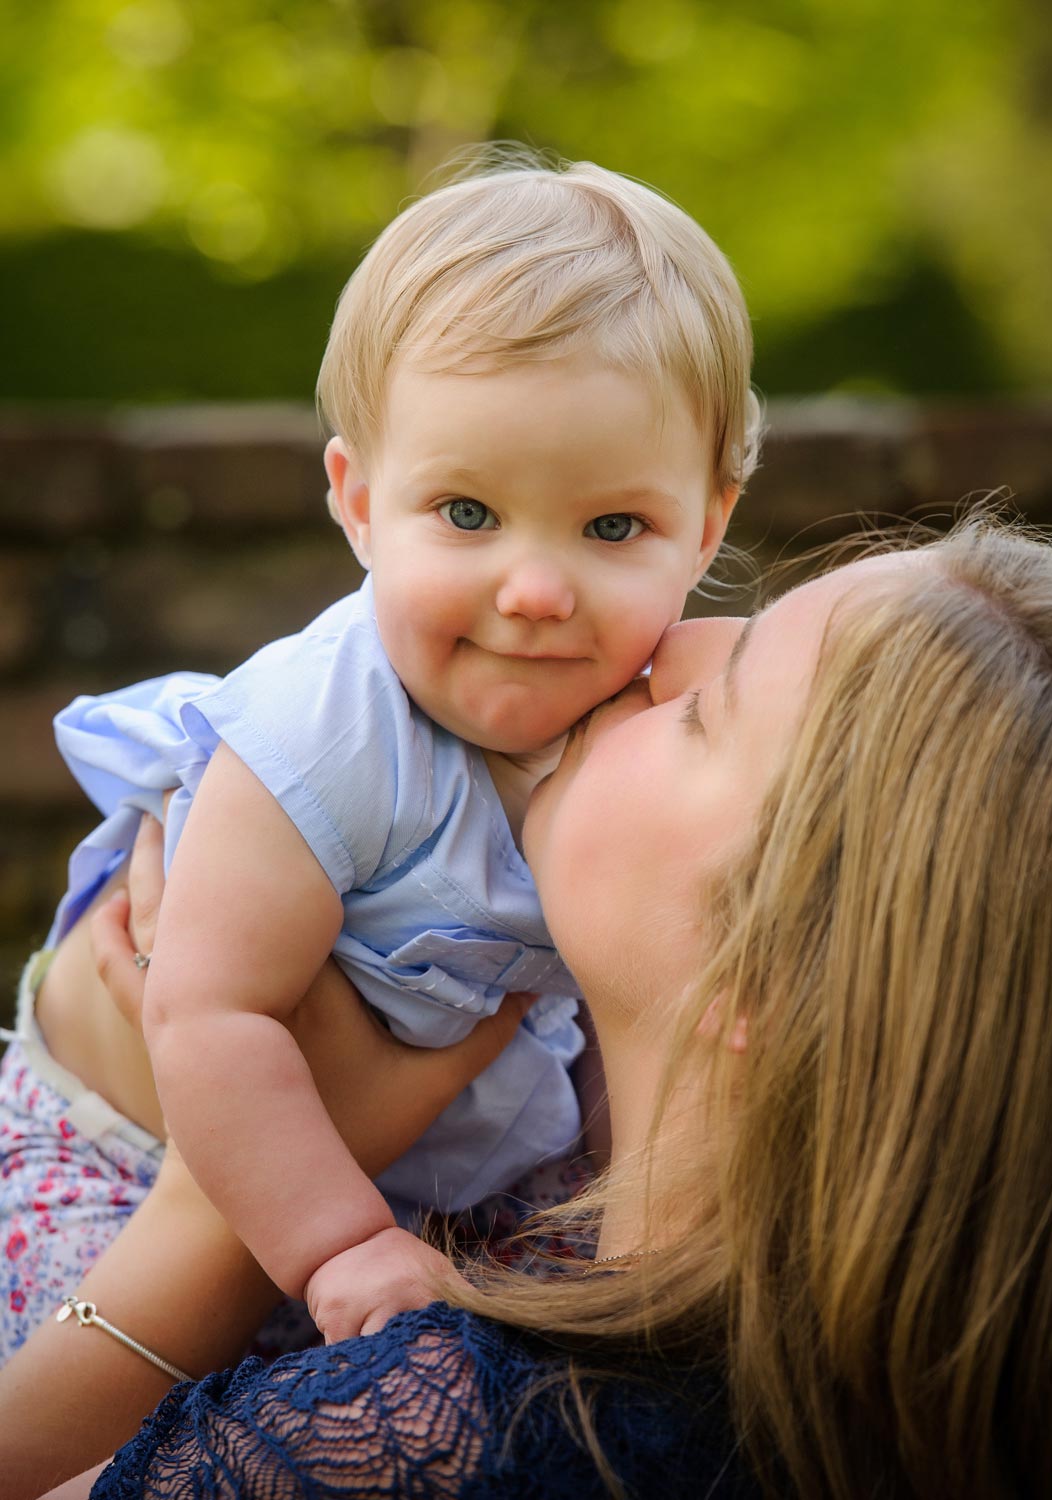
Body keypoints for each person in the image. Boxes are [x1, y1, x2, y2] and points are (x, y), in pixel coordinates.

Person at [11, 511, 1052, 1499]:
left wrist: (218, 1209)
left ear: (762, 977)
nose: (668, 646)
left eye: (710, 712)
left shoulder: (439, 1442)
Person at [0, 151, 760, 1357]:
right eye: (467, 514)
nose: (534, 589)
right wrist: (338, 1245)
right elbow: (209, 1014)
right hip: (135, 1161)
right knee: (135, 1400)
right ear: (359, 502)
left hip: (436, 1176)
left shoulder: (675, 720)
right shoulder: (327, 728)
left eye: (615, 526)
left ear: (706, 525)